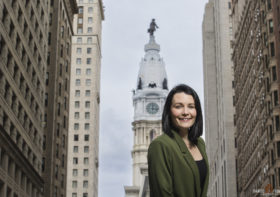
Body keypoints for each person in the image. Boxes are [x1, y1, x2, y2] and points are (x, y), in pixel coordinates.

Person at [148, 84, 209, 197]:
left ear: (197, 111)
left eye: (191, 106)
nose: (186, 112)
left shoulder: (200, 143)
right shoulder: (160, 145)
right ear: (169, 111)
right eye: (178, 106)